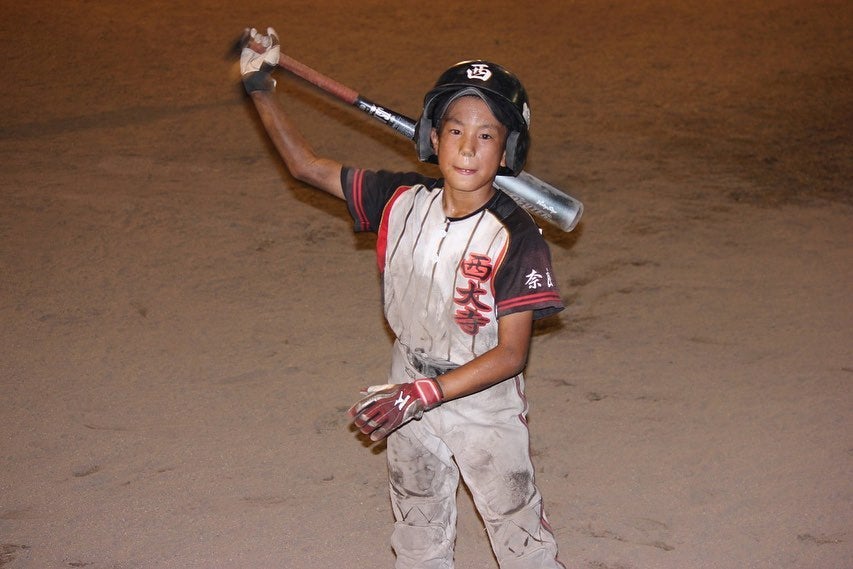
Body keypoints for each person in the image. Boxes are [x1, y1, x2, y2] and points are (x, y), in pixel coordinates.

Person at [241, 27, 567, 569]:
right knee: (417, 523)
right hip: (407, 378)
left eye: (486, 135)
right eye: (455, 130)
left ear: (508, 149)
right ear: (433, 138)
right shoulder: (399, 200)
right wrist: (259, 88)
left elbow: (511, 354)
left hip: (481, 400)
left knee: (518, 532)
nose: (467, 147)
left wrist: (426, 394)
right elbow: (306, 167)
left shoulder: (516, 237)